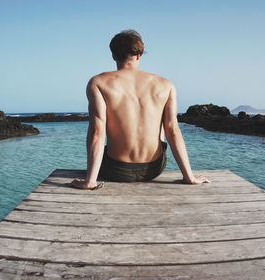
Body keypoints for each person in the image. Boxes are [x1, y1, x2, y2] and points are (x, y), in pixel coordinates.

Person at [71, 30, 210, 189]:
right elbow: (173, 131)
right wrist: (189, 176)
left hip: (115, 170)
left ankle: (91, 178)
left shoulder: (98, 83)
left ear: (113, 55)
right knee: (164, 128)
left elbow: (97, 132)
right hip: (153, 169)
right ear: (138, 55)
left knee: (97, 125)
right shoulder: (166, 85)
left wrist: (90, 181)